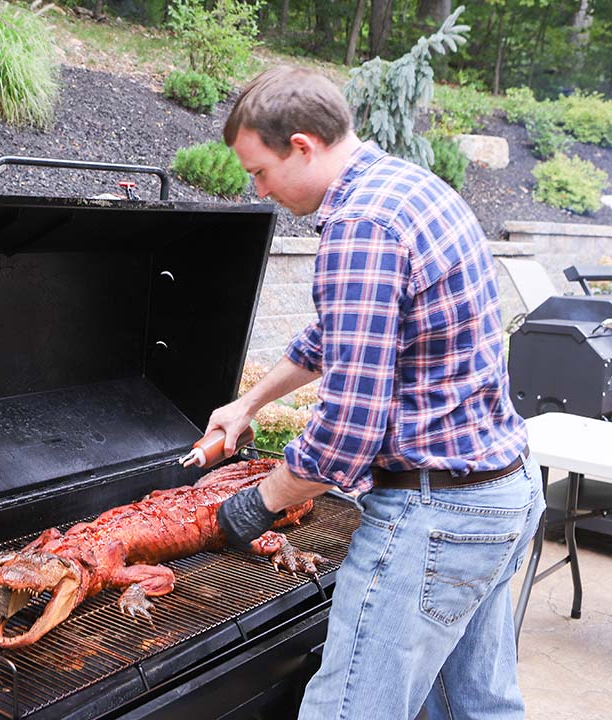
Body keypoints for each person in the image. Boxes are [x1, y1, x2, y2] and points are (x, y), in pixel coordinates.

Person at [197, 66, 545, 720]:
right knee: (475, 707)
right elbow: (339, 334)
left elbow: (348, 431)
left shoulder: (360, 223)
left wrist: (256, 505)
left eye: (260, 170)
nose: (258, 187)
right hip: (501, 493)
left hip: (436, 516)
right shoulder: (407, 186)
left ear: (302, 145)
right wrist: (250, 403)